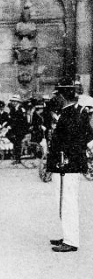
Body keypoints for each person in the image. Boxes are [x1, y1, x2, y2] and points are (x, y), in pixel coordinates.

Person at [47, 79, 93, 253]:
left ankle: (71, 240)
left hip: (67, 166)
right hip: (66, 166)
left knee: (68, 203)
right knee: (64, 202)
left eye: (57, 94)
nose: (55, 98)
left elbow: (80, 140)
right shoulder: (72, 113)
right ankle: (67, 235)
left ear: (62, 96)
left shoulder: (71, 115)